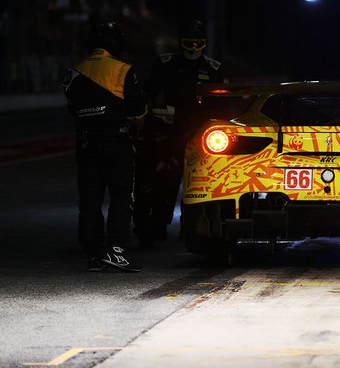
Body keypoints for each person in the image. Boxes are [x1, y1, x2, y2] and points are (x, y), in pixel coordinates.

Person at [61, 20, 148, 272]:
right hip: (117, 143)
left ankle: (94, 254)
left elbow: (71, 109)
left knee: (89, 200)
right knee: (121, 197)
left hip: (87, 145)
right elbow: (138, 112)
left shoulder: (73, 72)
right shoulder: (123, 70)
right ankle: (116, 251)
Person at [134, 19, 226, 248]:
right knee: (165, 182)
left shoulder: (214, 69)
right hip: (170, 132)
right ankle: (156, 227)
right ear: (180, 42)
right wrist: (152, 118)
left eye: (199, 42)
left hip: (201, 135)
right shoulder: (165, 64)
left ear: (205, 43)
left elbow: (223, 105)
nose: (194, 47)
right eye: (189, 42)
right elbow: (147, 92)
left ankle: (193, 228)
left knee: (200, 184)